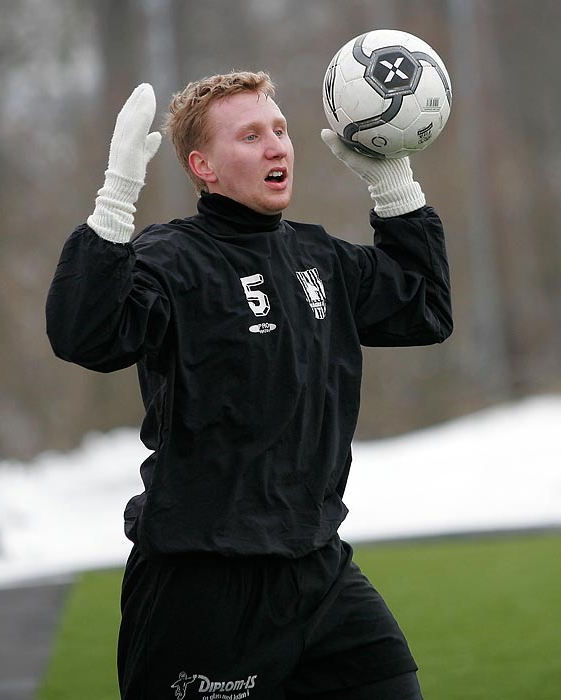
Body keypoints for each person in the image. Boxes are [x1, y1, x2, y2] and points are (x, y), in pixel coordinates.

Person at [46, 71, 452, 700]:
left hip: (317, 571)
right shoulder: (171, 258)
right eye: (251, 135)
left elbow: (424, 306)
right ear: (202, 165)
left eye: (281, 130)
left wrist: (391, 180)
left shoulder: (319, 258)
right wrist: (117, 196)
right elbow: (85, 335)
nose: (277, 146)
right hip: (203, 586)